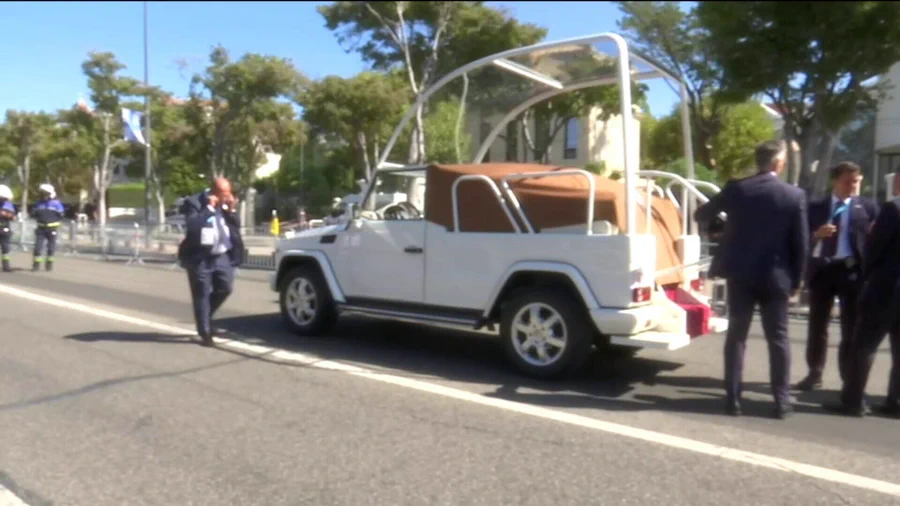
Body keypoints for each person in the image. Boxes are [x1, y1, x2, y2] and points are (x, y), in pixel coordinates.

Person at [694, 140, 809, 419]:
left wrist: (724, 230)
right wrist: (797, 280)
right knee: (778, 339)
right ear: (779, 164)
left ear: (758, 162)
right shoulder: (793, 195)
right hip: (777, 277)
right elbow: (801, 243)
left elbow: (701, 214)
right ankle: (781, 401)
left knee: (737, 337)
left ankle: (733, 399)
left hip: (741, 275)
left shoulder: (738, 189)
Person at [795, 162, 877, 391]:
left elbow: (876, 240)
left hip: (851, 271)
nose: (852, 186)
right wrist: (816, 235)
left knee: (850, 327)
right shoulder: (816, 207)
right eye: (847, 181)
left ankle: (847, 376)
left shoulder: (867, 207)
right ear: (835, 181)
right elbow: (800, 238)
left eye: (856, 181)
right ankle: (815, 372)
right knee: (817, 325)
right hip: (822, 269)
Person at [825, 173, 900, 418]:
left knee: (865, 343)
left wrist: (866, 275)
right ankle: (895, 401)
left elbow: (874, 247)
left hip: (887, 286)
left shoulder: (893, 208)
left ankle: (853, 400)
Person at [178, 178, 244, 346]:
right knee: (201, 293)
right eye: (223, 194)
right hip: (200, 256)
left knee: (226, 288)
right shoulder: (194, 202)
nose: (227, 197)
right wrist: (209, 209)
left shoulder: (226, 205)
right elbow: (193, 227)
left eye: (229, 194)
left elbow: (236, 226)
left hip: (222, 254)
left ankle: (205, 317)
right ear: (214, 192)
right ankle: (205, 332)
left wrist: (231, 210)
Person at [32, 183, 64, 272]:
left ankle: (49, 264)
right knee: (38, 248)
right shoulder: (39, 203)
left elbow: (61, 214)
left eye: (45, 193)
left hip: (52, 229)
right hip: (41, 229)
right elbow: (34, 214)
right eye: (43, 193)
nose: (44, 195)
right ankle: (36, 265)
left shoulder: (56, 204)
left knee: (50, 248)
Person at [0, 185, 15, 273]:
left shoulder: (8, 205)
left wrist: (5, 214)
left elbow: (13, 217)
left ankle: (6, 266)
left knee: (5, 248)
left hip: (4, 229)